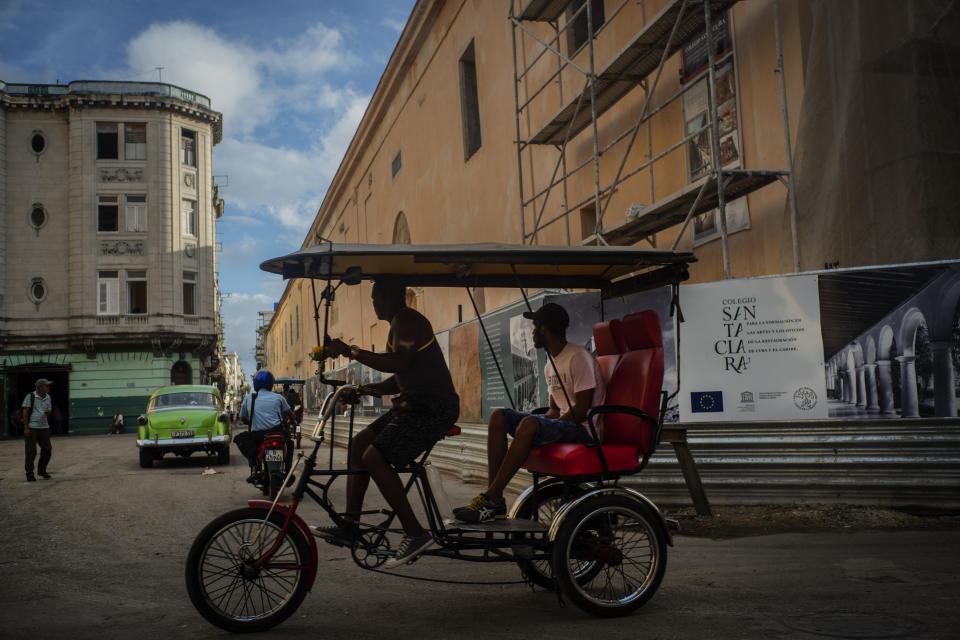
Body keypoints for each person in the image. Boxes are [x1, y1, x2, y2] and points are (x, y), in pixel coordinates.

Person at [317, 277, 459, 569]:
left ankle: (415, 533)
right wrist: (365, 390)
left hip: (433, 408)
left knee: (373, 456)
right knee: (358, 445)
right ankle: (351, 526)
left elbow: (400, 365)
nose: (373, 305)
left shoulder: (406, 320)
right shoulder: (400, 324)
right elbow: (400, 378)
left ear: (388, 298)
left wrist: (350, 351)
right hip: (415, 404)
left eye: (375, 299)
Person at [453, 303, 606, 523]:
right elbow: (554, 410)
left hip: (583, 431)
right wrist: (542, 422)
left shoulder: (578, 357)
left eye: (535, 327)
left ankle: (491, 496)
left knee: (529, 425)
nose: (532, 333)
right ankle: (494, 501)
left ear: (544, 329)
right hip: (566, 424)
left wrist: (542, 427)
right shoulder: (550, 364)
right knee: (499, 416)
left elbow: (582, 410)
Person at [236, 370, 293, 475]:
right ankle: (288, 470)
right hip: (277, 434)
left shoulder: (249, 398)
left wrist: (249, 421)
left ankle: (254, 466)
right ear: (271, 383)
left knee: (243, 441)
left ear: (255, 384)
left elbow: (242, 418)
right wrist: (290, 421)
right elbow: (291, 415)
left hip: (258, 436)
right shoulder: (279, 397)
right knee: (290, 443)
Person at [22, 378, 54, 482]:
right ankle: (30, 473)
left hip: (44, 427)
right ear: (40, 387)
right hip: (32, 427)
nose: (48, 387)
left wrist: (48, 412)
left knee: (47, 449)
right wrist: (26, 427)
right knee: (31, 451)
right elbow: (25, 412)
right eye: (46, 386)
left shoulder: (48, 397)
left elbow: (49, 410)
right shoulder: (30, 396)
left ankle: (42, 470)